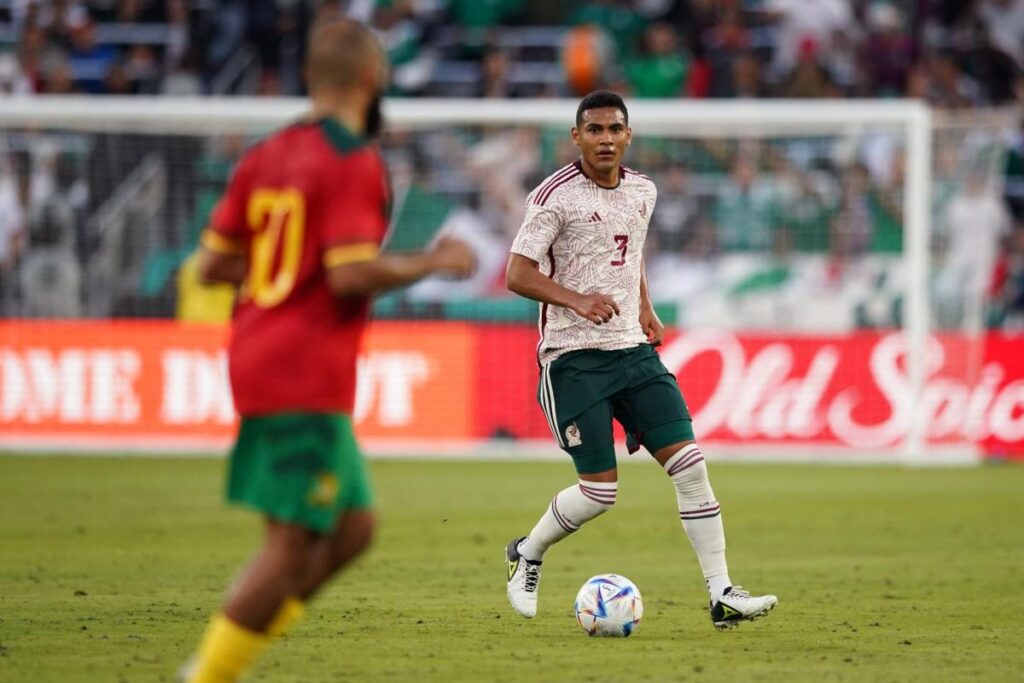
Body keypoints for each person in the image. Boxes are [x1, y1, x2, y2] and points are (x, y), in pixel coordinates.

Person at [181, 17, 474, 683]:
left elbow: (212, 265)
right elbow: (348, 273)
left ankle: (234, 653)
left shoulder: (265, 154)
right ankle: (207, 675)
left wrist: (284, 272)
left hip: (261, 351)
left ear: (310, 77)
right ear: (373, 79)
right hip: (300, 367)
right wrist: (432, 261)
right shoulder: (351, 160)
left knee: (352, 529)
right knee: (291, 548)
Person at [503, 90, 777, 630]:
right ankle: (527, 553)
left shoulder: (643, 191)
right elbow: (517, 272)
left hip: (633, 350)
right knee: (599, 493)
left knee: (691, 466)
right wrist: (577, 300)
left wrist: (644, 306)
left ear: (628, 136)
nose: (605, 139)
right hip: (573, 359)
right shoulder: (553, 196)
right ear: (577, 137)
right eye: (594, 129)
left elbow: (629, 252)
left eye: (614, 129)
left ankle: (722, 594)